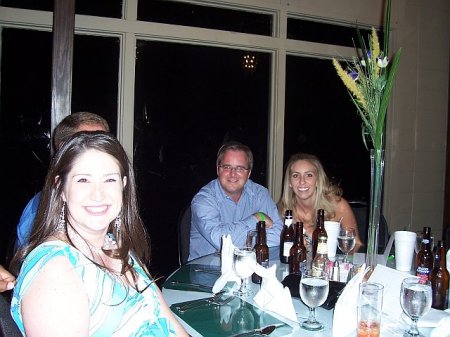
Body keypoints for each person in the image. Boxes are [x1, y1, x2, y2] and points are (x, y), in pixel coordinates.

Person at [10, 132, 188, 336]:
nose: (98, 194)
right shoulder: (55, 271)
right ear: (61, 188)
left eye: (109, 180)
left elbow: (168, 321)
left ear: (123, 185)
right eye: (83, 180)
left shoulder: (115, 247)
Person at [16, 112, 110, 249]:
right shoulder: (40, 209)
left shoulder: (111, 198)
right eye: (87, 143)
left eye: (105, 143)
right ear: (63, 149)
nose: (101, 151)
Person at [189, 141, 283, 260]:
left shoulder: (259, 194)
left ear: (248, 173)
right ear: (218, 169)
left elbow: (279, 233)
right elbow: (221, 241)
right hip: (208, 271)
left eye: (240, 168)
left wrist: (244, 242)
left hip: (249, 268)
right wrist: (256, 218)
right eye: (227, 167)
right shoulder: (203, 200)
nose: (233, 174)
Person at [277, 153, 362, 256]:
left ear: (318, 180)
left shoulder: (338, 206)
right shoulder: (282, 211)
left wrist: (343, 262)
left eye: (309, 175)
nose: (302, 181)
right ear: (290, 182)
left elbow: (356, 244)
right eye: (295, 175)